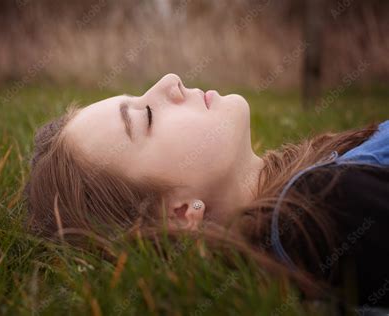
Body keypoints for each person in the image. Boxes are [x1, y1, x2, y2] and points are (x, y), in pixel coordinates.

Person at [24, 73, 389, 310]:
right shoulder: (325, 209)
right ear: (180, 213)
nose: (170, 80)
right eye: (147, 115)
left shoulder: (316, 186)